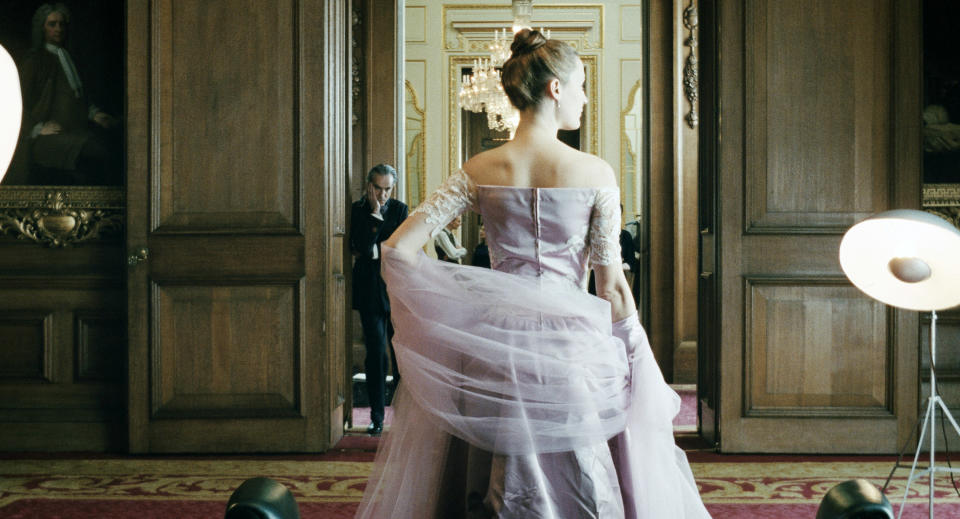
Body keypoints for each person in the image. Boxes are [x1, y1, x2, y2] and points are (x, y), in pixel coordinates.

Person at [355, 30, 711, 518]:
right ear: (555, 88)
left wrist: (461, 304)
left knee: (494, 469)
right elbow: (611, 286)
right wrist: (632, 347)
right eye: (581, 85)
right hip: (573, 348)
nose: (585, 97)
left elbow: (396, 249)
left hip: (496, 346)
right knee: (584, 474)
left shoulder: (479, 167)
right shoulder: (595, 172)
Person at [11, 3, 119, 186]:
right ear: (41, 27)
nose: (58, 29)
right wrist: (37, 128)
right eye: (52, 24)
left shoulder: (68, 56)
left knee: (110, 145)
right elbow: (15, 103)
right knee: (98, 151)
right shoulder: (34, 60)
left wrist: (95, 115)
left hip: (76, 131)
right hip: (47, 139)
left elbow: (77, 96)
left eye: (62, 24)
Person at [350, 164, 408, 436]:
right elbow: (361, 247)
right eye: (378, 189)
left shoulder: (400, 209)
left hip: (396, 290)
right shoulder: (357, 210)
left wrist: (377, 245)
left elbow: (396, 248)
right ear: (369, 186)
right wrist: (374, 216)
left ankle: (403, 418)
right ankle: (376, 417)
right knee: (376, 355)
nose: (383, 195)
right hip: (369, 291)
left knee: (401, 356)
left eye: (387, 189)